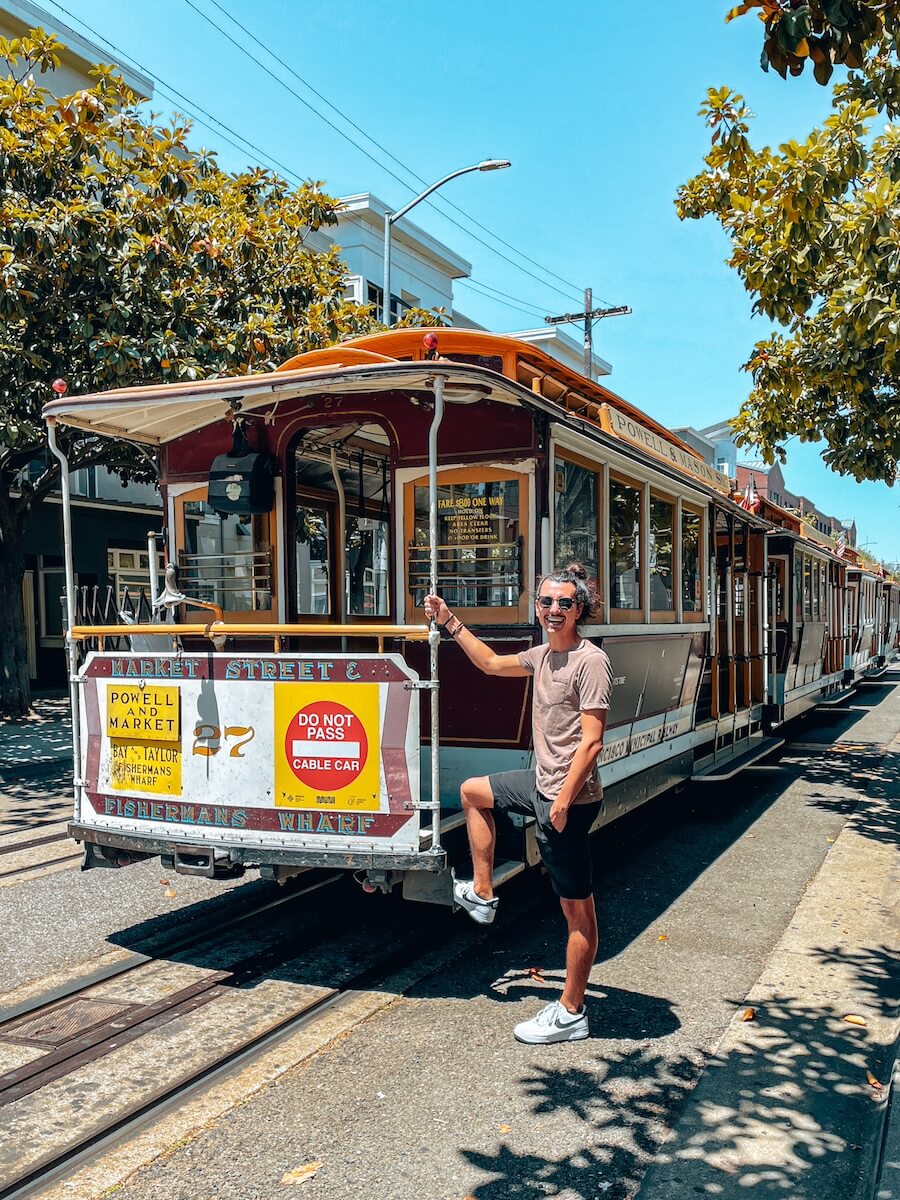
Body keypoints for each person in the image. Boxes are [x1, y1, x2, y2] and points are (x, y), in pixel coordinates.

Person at [424, 565, 612, 1045]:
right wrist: (449, 621)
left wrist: (564, 804)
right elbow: (489, 663)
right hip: (540, 784)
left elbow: (591, 743)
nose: (553, 610)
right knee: (473, 791)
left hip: (566, 796)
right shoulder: (544, 655)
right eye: (546, 602)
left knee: (577, 912)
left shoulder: (590, 662)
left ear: (579, 610)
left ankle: (571, 1013)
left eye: (564, 604)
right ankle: (483, 895)